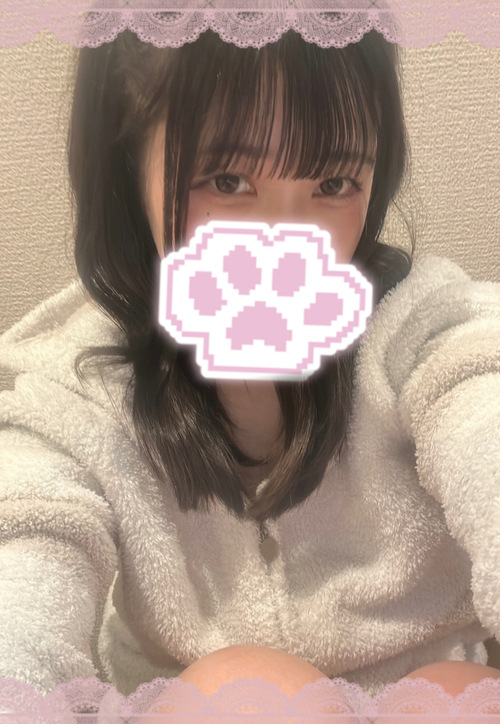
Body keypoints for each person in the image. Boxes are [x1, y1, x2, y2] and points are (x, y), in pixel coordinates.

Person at [1, 23, 499, 716]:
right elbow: (23, 578)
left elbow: (483, 415)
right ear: (125, 168)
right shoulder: (76, 388)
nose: (288, 241)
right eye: (228, 181)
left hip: (410, 699)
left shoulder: (426, 334)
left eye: (333, 182)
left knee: (457, 697)